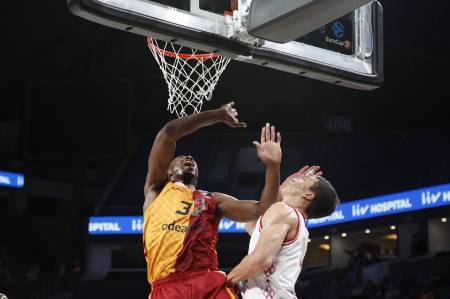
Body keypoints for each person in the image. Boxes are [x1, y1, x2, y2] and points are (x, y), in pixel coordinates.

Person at [143, 102, 319, 299]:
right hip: (167, 286)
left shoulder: (213, 199)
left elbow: (262, 210)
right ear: (168, 170)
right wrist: (217, 115)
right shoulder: (156, 189)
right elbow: (167, 133)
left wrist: (273, 168)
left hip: (206, 281)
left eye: (191, 159)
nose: (189, 158)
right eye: (182, 157)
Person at [226, 168, 339, 298]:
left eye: (304, 179)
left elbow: (260, 260)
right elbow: (250, 225)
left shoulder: (285, 212)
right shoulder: (294, 221)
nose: (295, 179)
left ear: (309, 195)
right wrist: (279, 190)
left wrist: (223, 283)